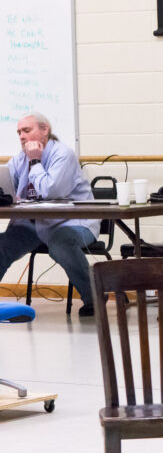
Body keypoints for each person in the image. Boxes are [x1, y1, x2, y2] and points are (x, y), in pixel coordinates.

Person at [0, 113, 99, 316]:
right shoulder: (19, 159)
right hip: (35, 224)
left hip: (74, 223)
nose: (21, 136)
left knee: (60, 243)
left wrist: (35, 161)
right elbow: (7, 186)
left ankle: (94, 298)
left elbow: (51, 191)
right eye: (19, 132)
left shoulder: (63, 154)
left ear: (45, 130)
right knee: (2, 245)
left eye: (27, 131)